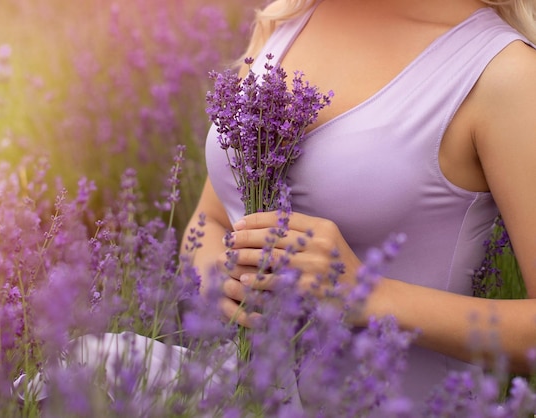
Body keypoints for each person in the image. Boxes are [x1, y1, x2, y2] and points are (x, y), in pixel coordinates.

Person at [183, 0, 536, 411]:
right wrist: (217, 283)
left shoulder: (505, 75)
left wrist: (369, 295)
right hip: (240, 395)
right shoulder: (288, 20)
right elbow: (209, 218)